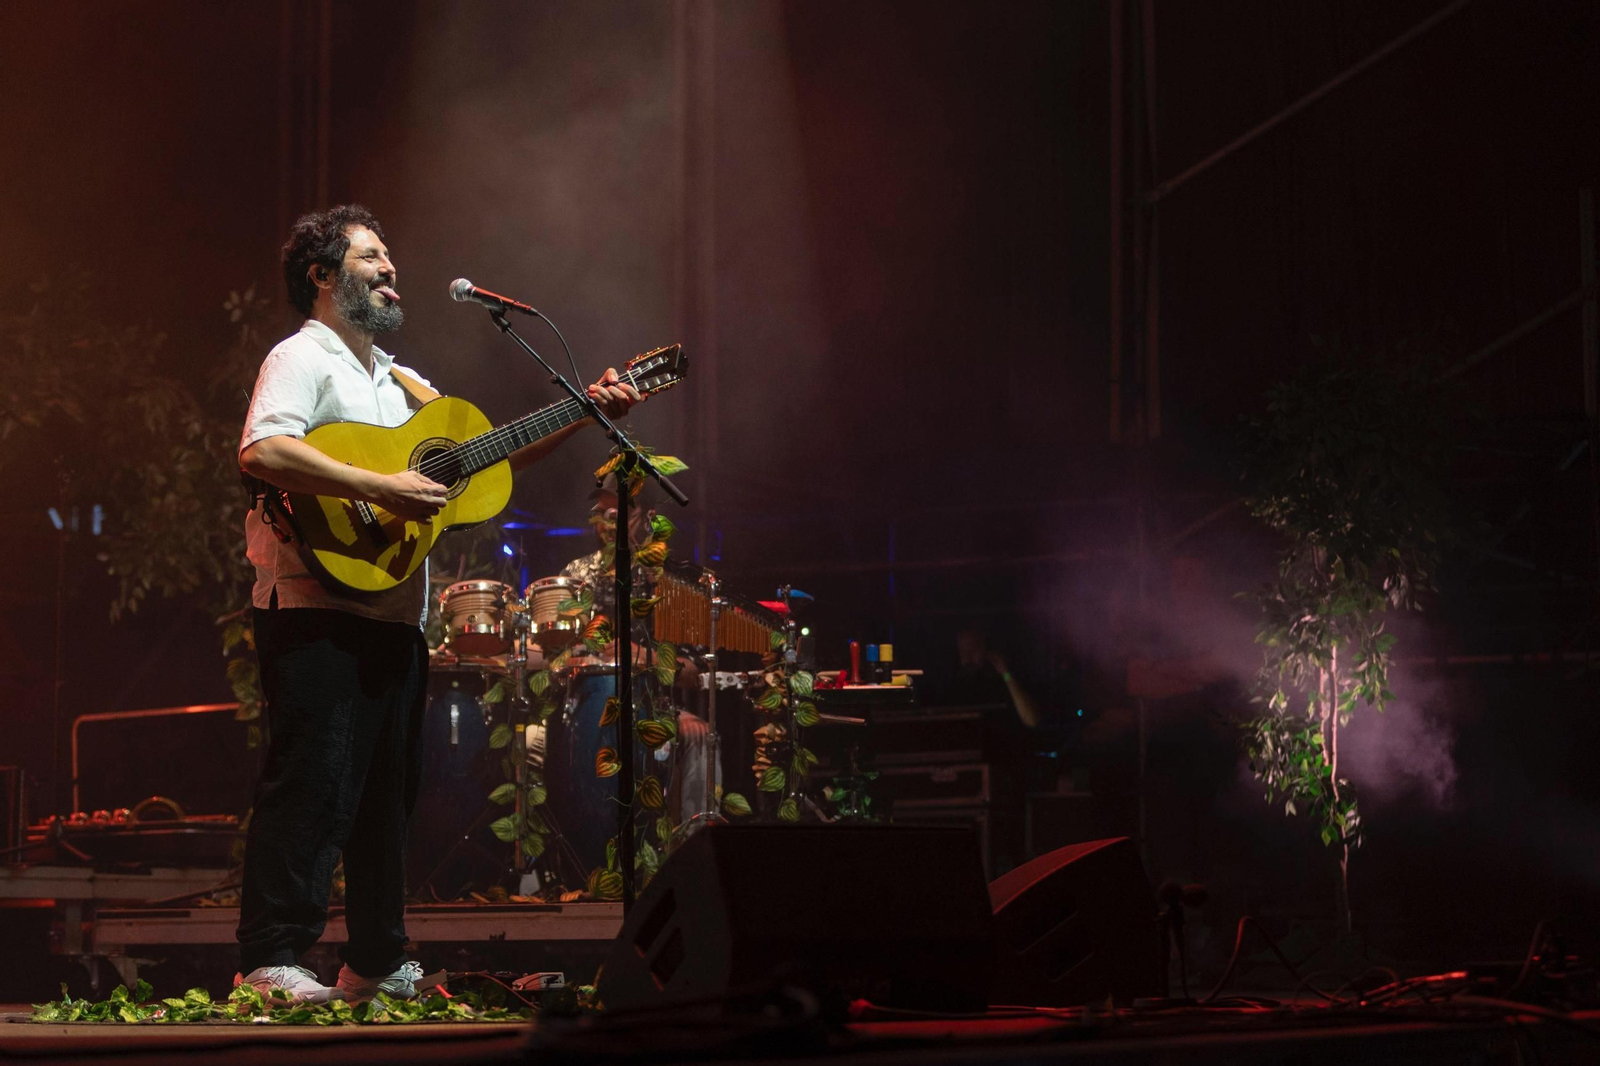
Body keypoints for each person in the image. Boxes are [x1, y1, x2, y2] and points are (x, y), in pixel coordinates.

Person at [235, 205, 640, 1004]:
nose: (391, 271)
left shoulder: (403, 382)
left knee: (387, 798)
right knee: (312, 783)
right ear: (323, 277)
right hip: (314, 604)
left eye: (390, 258)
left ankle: (375, 963)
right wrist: (380, 484)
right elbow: (263, 449)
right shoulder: (302, 356)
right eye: (370, 258)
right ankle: (267, 961)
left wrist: (587, 411)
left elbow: (489, 463)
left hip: (391, 613)